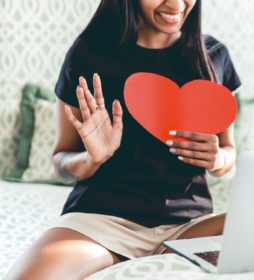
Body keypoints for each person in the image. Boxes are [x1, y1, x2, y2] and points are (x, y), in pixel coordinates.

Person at [5, 0, 241, 279]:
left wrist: (218, 159)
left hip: (189, 227)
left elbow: (229, 154)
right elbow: (60, 162)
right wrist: (92, 158)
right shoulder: (88, 54)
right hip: (102, 223)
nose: (177, 4)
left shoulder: (214, 56)